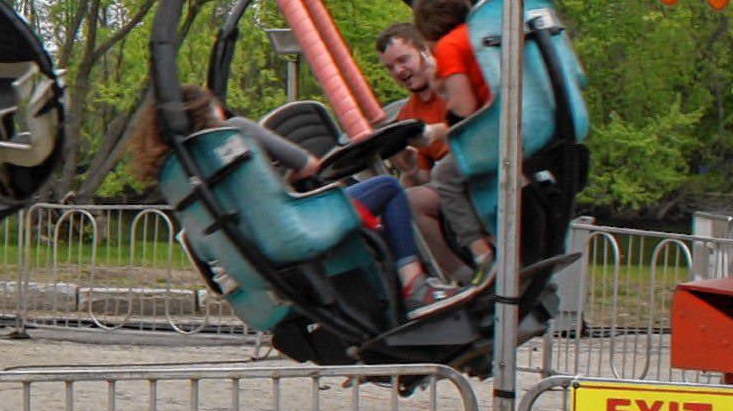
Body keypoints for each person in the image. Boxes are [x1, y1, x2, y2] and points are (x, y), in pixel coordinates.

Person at [129, 84, 448, 305]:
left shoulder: (177, 172)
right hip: (293, 227)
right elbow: (309, 166)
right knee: (389, 189)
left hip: (253, 253)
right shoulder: (236, 131)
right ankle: (414, 284)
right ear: (205, 108)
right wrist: (285, 180)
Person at [375, 20, 493, 276]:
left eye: (403, 60)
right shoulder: (409, 114)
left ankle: (484, 255)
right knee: (407, 200)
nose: (399, 71)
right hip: (451, 180)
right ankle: (462, 278)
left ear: (424, 51)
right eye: (390, 68)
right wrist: (407, 166)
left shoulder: (452, 84)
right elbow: (424, 177)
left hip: (480, 161)